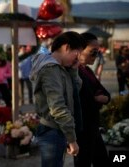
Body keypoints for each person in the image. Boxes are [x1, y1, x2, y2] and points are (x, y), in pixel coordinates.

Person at [30, 31, 86, 167]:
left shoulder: (59, 67)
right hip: (53, 131)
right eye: (77, 53)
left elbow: (75, 90)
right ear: (66, 47)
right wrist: (71, 139)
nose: (78, 58)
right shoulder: (51, 69)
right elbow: (58, 107)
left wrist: (73, 70)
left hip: (56, 129)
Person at [74, 32, 111, 167]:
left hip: (93, 127)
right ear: (79, 50)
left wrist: (100, 98)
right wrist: (98, 98)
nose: (96, 56)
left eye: (98, 52)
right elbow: (85, 100)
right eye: (93, 52)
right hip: (82, 130)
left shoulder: (87, 71)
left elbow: (106, 94)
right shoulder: (73, 73)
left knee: (102, 161)